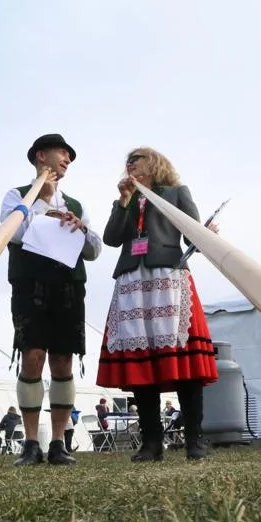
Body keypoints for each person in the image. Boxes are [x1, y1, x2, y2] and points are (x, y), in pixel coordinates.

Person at [96, 147, 219, 461]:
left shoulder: (176, 192)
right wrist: (123, 202)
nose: (129, 164)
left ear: (153, 163)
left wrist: (207, 235)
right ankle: (151, 443)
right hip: (131, 280)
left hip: (169, 276)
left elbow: (193, 236)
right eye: (128, 161)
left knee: (184, 360)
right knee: (141, 358)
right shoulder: (124, 199)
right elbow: (111, 238)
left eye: (136, 159)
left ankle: (195, 439)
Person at [0, 133, 103, 466]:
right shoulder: (16, 196)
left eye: (70, 156)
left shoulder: (76, 204)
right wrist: (42, 203)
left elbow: (95, 250)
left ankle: (59, 443)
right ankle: (31, 442)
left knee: (63, 360)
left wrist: (80, 228)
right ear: (41, 156)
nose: (68, 159)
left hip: (68, 286)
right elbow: (11, 233)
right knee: (32, 355)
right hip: (31, 284)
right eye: (63, 152)